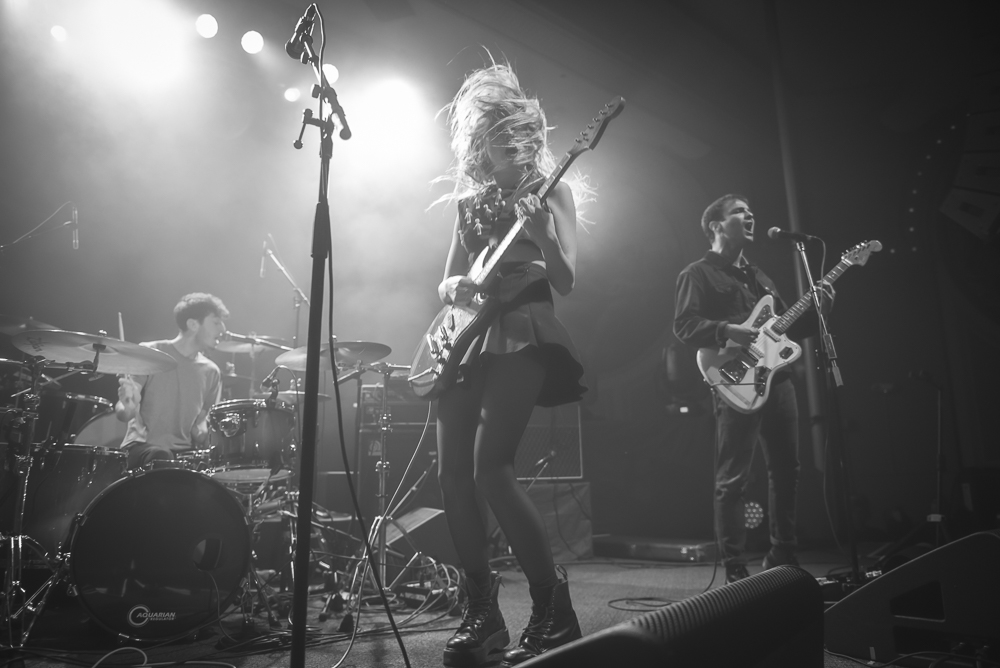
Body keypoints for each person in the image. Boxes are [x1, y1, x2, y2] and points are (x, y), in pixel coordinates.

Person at [432, 61, 588, 667]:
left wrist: (544, 234)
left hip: (522, 331)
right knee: (451, 478)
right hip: (466, 337)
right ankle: (482, 613)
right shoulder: (469, 200)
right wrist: (454, 290)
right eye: (497, 127)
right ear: (481, 136)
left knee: (490, 467)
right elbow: (447, 277)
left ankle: (554, 609)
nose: (509, 138)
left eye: (519, 129)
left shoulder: (553, 191)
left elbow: (568, 279)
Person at [673, 195, 833, 584]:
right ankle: (735, 565)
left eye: (750, 212)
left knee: (787, 470)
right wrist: (727, 330)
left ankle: (783, 552)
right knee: (734, 478)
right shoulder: (697, 273)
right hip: (735, 380)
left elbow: (787, 330)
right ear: (715, 224)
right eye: (739, 212)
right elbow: (684, 326)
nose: (750, 216)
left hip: (778, 380)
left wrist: (820, 310)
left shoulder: (760, 277)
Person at [116, 293, 228, 470]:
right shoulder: (150, 353)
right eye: (216, 322)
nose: (223, 329)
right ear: (193, 324)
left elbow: (199, 428)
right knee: (162, 457)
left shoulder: (212, 372)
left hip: (182, 454)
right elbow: (124, 412)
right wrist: (128, 405)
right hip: (141, 449)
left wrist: (210, 436)